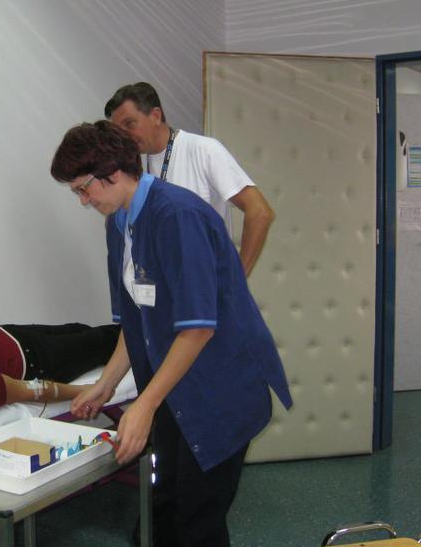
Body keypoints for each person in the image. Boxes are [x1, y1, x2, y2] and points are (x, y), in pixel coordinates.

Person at [50, 121, 292, 547]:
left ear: (113, 173)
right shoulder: (119, 224)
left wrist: (144, 405)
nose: (84, 201)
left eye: (84, 189)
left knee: (196, 521)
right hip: (175, 388)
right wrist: (106, 384)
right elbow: (135, 317)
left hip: (219, 388)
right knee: (162, 509)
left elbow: (197, 329)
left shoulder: (178, 216)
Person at [105, 81, 274, 276]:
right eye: (118, 131)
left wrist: (237, 280)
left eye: (130, 124)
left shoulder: (204, 150)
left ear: (155, 116)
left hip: (203, 285)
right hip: (160, 286)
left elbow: (260, 212)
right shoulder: (133, 166)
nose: (124, 136)